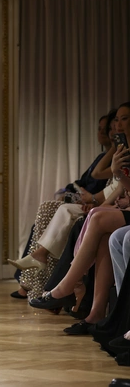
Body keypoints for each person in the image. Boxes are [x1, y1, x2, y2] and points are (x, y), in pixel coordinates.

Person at [30, 102, 130, 333]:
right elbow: (117, 187)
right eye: (117, 119)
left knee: (97, 217)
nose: (118, 124)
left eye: (124, 119)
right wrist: (115, 171)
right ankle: (95, 313)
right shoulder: (123, 151)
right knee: (101, 229)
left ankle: (66, 285)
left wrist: (116, 180)